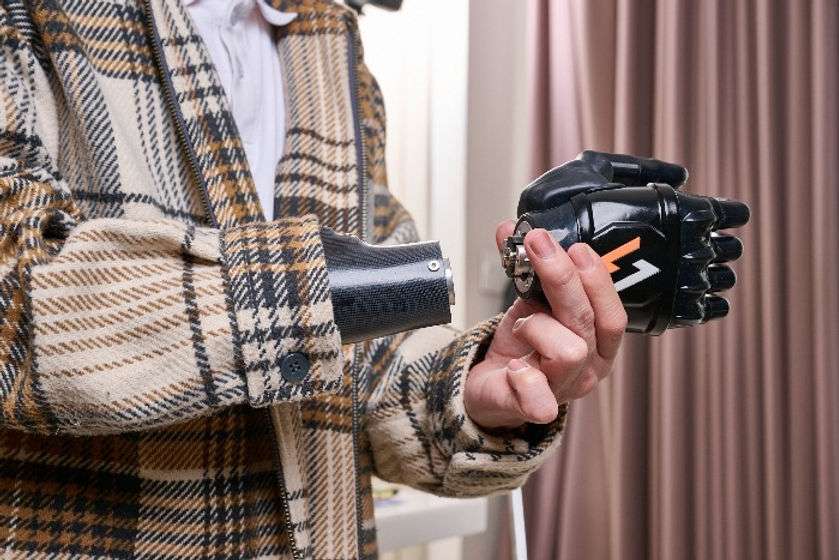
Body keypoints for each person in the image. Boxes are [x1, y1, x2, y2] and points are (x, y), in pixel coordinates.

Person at [0, 0, 627, 558]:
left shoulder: (330, 39)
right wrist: (321, 295)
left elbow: (367, 369)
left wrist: (475, 392)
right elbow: (14, 310)